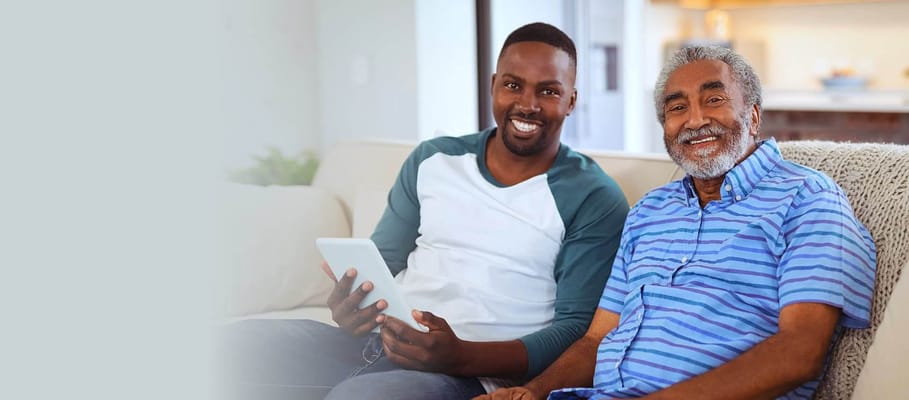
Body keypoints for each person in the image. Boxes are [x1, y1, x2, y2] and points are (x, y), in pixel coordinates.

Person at [218, 22, 629, 400]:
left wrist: (462, 356)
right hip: (377, 344)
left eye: (548, 91)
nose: (528, 104)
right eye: (513, 85)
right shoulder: (433, 160)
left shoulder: (593, 197)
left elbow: (576, 332)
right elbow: (381, 263)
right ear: (493, 87)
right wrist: (349, 309)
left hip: (470, 374)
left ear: (572, 100)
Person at [477, 46, 877, 400]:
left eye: (714, 99)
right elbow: (598, 338)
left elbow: (799, 352)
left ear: (753, 116)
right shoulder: (650, 211)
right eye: (677, 107)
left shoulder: (807, 198)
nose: (694, 120)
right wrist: (531, 392)